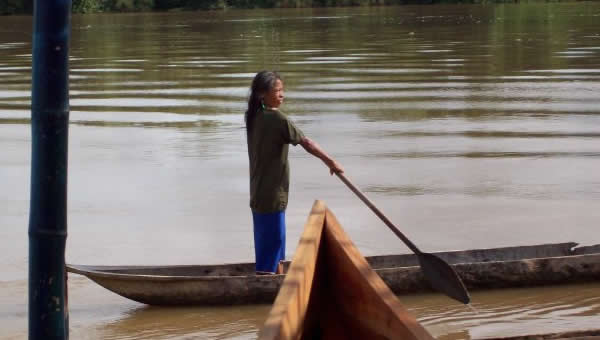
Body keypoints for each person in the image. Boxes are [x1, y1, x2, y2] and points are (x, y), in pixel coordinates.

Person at [245, 70, 344, 275]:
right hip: (272, 194)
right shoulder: (277, 118)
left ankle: (278, 278)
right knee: (272, 247)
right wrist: (331, 161)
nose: (282, 95)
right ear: (262, 94)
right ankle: (268, 284)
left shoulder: (253, 116)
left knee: (273, 245)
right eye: (277, 90)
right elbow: (307, 143)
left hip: (259, 192)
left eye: (283, 90)